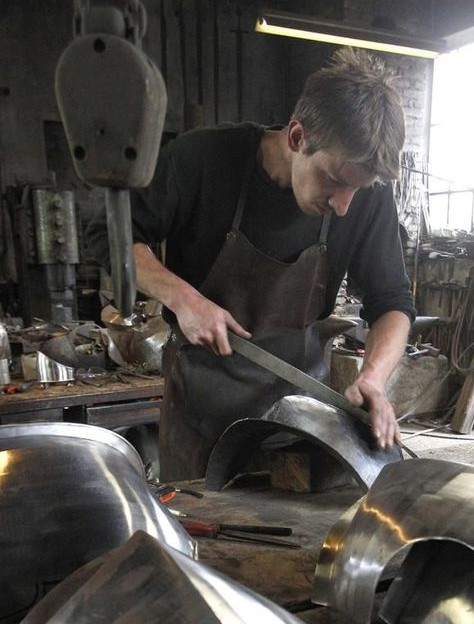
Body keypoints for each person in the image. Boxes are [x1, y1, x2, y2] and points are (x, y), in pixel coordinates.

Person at [86, 48, 416, 481]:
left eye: (358, 189)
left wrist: (373, 377)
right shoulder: (202, 159)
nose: (342, 206)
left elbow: (392, 300)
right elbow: (110, 239)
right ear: (297, 137)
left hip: (305, 418)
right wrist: (183, 298)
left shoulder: (363, 197)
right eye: (334, 181)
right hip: (202, 414)